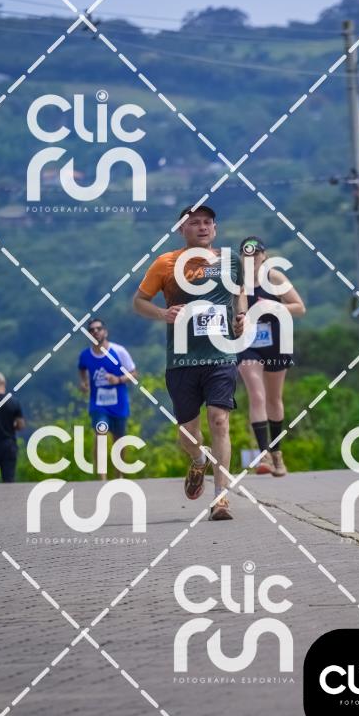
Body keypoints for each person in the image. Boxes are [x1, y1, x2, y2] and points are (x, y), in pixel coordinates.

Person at [133, 204, 246, 521]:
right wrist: (162, 313)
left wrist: (241, 315)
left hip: (221, 355)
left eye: (208, 222)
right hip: (182, 359)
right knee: (187, 433)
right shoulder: (166, 263)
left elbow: (240, 293)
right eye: (194, 222)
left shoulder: (229, 260)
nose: (202, 227)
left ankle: (221, 498)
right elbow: (139, 302)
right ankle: (198, 459)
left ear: (215, 228)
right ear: (181, 229)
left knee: (219, 421)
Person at [237, 236, 306, 477]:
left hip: (276, 342)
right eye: (246, 254)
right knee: (257, 395)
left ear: (264, 256)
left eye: (256, 254)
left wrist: (274, 307)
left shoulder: (275, 278)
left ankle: (277, 453)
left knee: (274, 399)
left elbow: (299, 307)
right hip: (248, 344)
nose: (252, 258)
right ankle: (263, 453)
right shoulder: (237, 283)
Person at [78, 319, 138, 479]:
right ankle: (102, 478)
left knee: (119, 440)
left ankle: (119, 475)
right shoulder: (85, 355)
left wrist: (118, 379)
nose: (95, 332)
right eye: (92, 330)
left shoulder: (119, 351)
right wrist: (84, 383)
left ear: (105, 332)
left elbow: (134, 373)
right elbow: (82, 369)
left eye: (98, 329)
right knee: (101, 434)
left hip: (119, 404)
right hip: (98, 404)